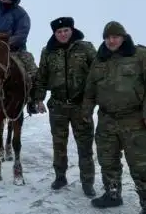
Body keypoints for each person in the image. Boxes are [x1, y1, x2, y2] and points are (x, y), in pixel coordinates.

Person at [82, 21, 146, 214]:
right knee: (107, 160)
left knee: (141, 165)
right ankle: (112, 194)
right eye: (108, 37)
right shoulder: (99, 60)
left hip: (135, 119)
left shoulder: (140, 55)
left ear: (124, 36)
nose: (111, 40)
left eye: (115, 36)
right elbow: (90, 88)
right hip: (107, 119)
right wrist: (86, 110)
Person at [31, 16, 97, 195]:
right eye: (59, 32)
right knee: (59, 145)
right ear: (55, 33)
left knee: (85, 146)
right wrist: (39, 99)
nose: (62, 34)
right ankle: (60, 177)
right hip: (58, 106)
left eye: (65, 30)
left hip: (80, 106)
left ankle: (88, 182)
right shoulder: (48, 51)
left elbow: (97, 74)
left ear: (72, 30)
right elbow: (42, 77)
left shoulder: (86, 48)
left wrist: (92, 100)